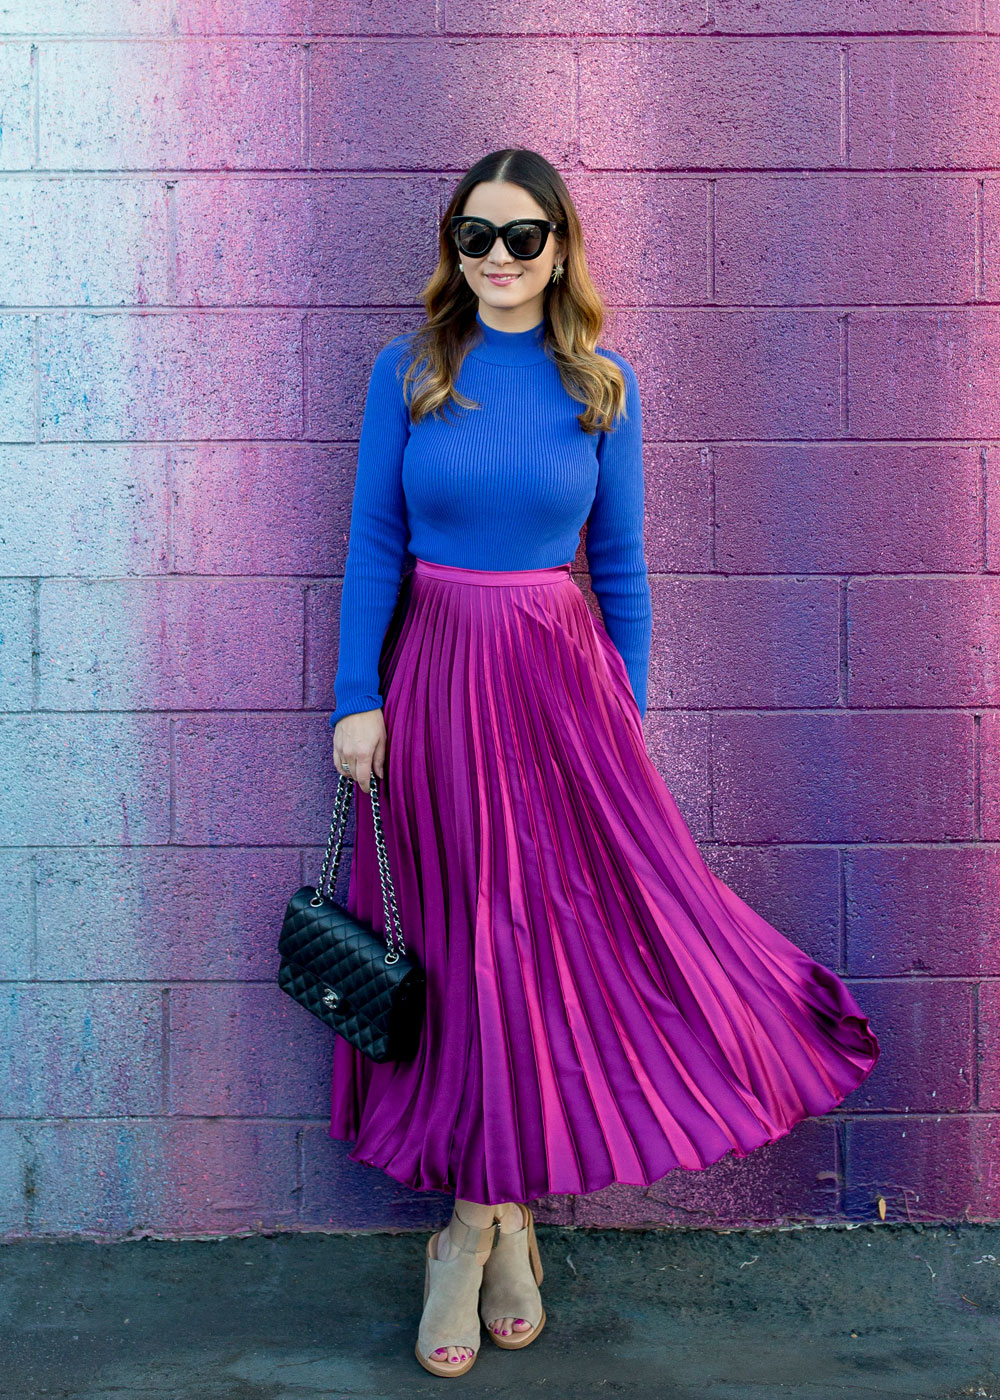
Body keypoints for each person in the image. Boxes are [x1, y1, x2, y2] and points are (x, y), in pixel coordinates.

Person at [327, 147, 880, 1378]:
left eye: (525, 238)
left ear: (562, 247)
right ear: (452, 248)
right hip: (437, 690)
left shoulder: (600, 382)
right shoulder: (411, 371)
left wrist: (620, 715)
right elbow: (373, 539)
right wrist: (354, 696)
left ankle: (470, 1232)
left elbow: (621, 567)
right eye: (478, 237)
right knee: (469, 947)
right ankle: (498, 1222)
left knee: (552, 947)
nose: (501, 261)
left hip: (563, 700)